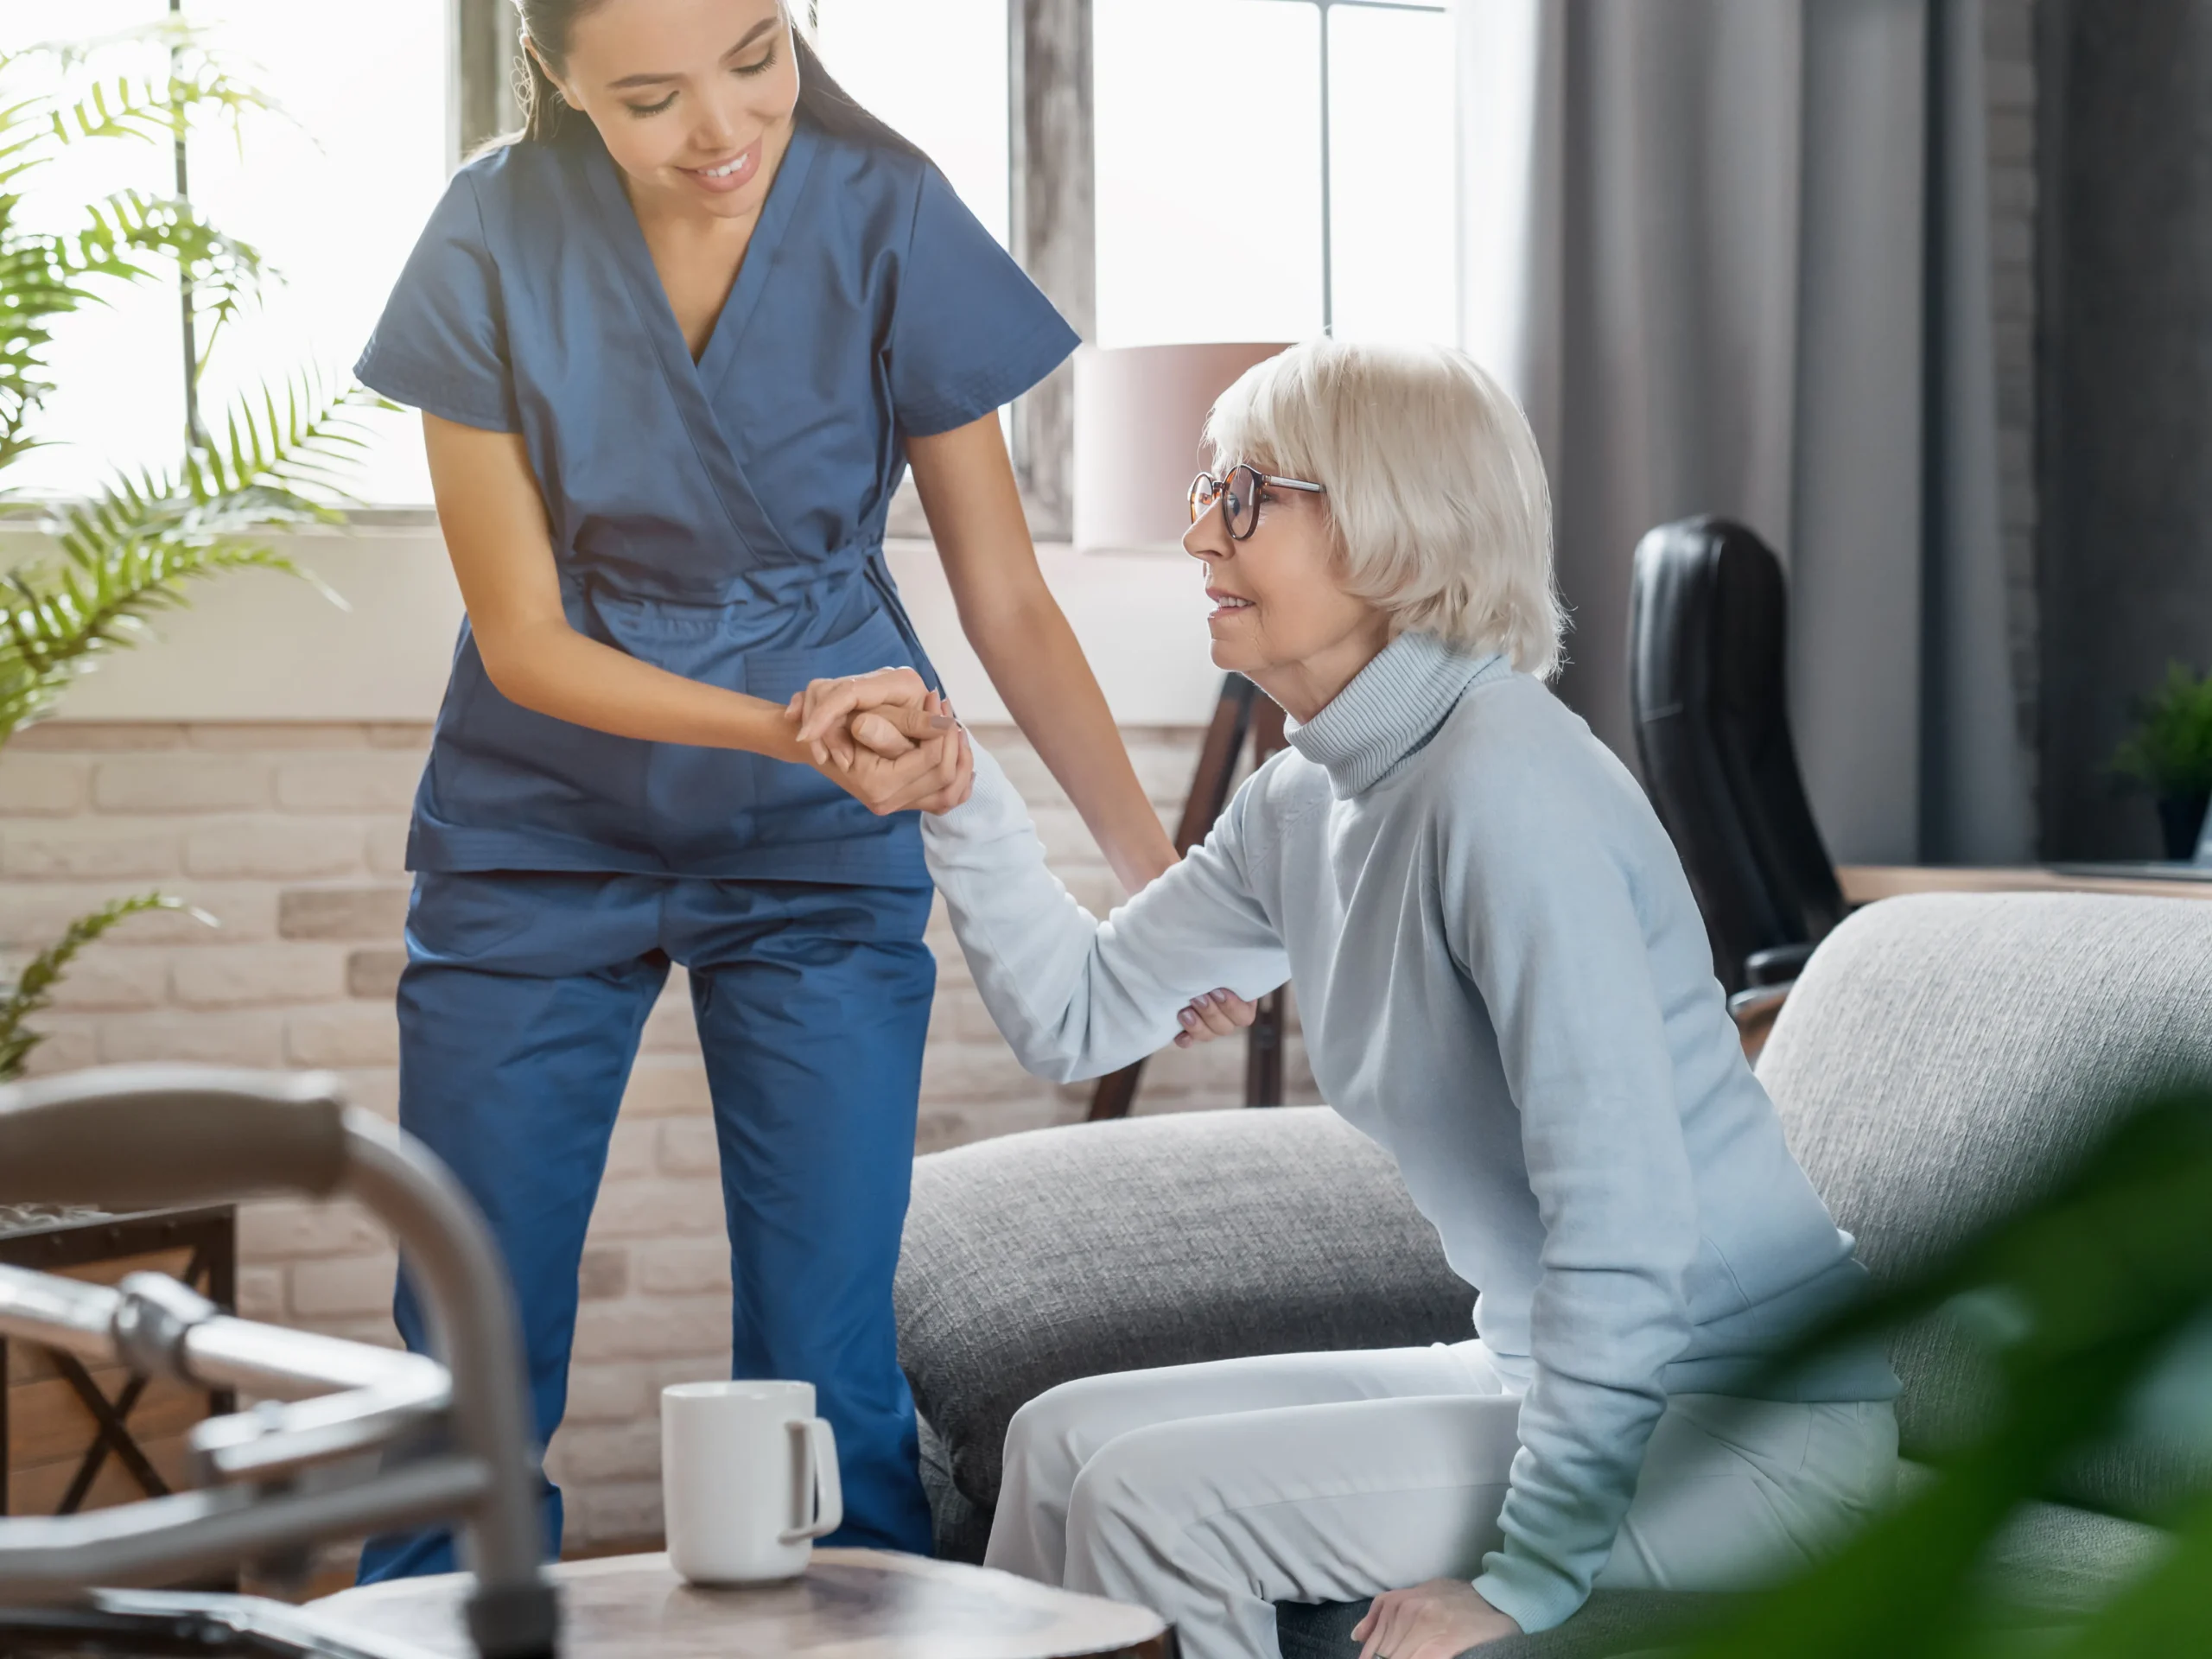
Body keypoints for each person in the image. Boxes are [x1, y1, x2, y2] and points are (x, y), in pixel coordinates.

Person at [798, 340, 1901, 1658]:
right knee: (1056, 1440)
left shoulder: (1506, 788)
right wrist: (961, 796)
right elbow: (1080, 1013)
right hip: (1541, 1365)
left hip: (1750, 1426)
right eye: (1209, 487)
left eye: (1247, 493)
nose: (1198, 526)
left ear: (1395, 525)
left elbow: (1626, 1219)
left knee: (1156, 1507)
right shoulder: (1309, 799)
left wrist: (1528, 1578)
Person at [348, 0, 1188, 1579]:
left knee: (827, 1370)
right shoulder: (484, 235)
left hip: (823, 836)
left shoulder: (890, 209)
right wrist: (790, 723)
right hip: (541, 827)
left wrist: (1146, 872)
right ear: (554, 76)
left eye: (757, 54)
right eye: (654, 94)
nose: (724, 126)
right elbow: (525, 642)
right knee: (461, 1350)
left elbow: (1005, 598)